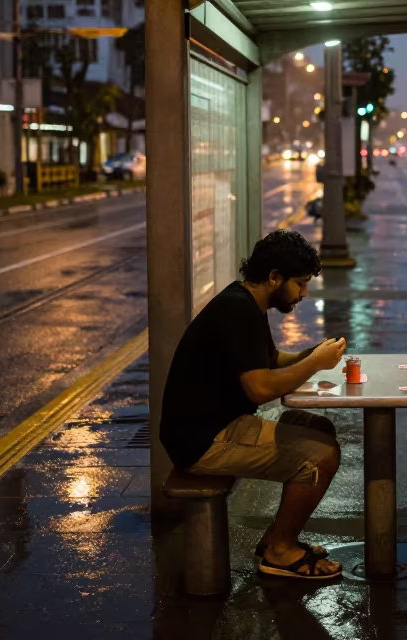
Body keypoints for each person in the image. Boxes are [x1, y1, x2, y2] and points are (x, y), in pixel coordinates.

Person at [160, 229, 347, 580]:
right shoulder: (238, 310)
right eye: (300, 283)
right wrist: (313, 364)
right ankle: (281, 551)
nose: (304, 293)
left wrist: (312, 354)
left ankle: (278, 538)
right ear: (274, 277)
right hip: (204, 439)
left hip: (218, 423)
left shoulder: (247, 302)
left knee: (319, 428)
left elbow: (271, 358)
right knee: (321, 455)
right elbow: (260, 388)